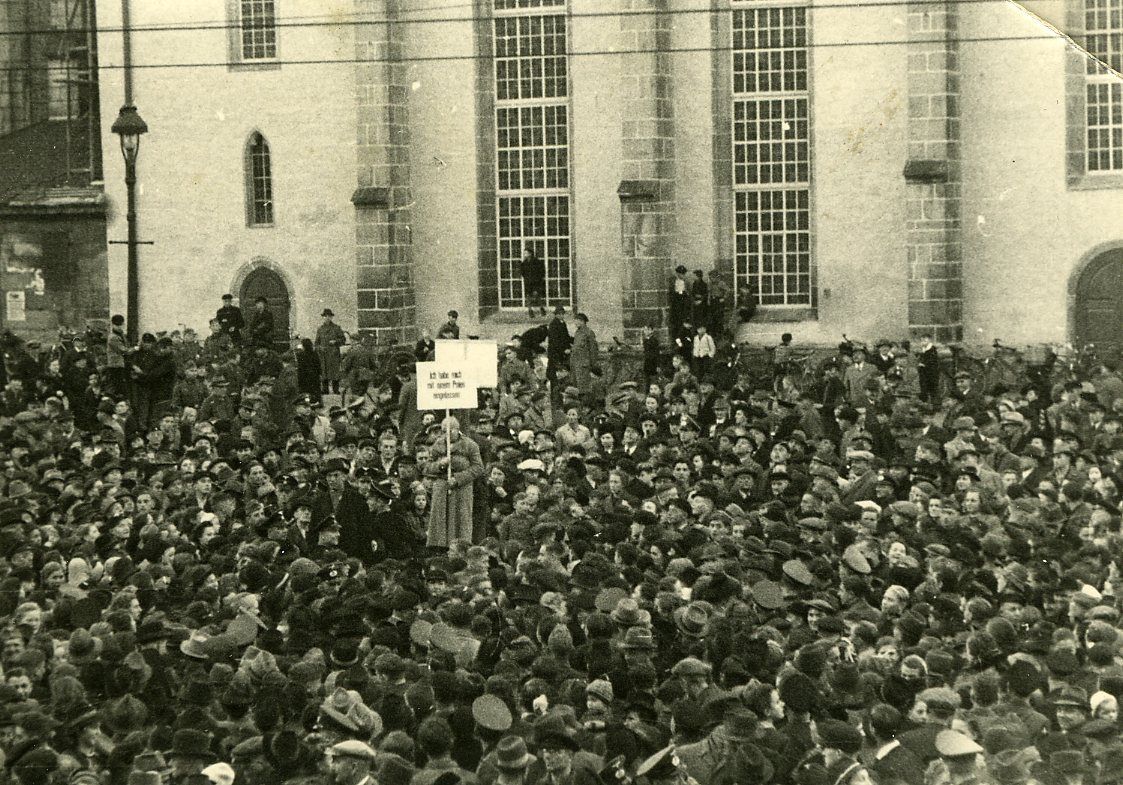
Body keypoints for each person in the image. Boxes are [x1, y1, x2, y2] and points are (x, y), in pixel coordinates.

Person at [426, 415, 485, 548]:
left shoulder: (470, 445)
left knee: (460, 520)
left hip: (462, 489)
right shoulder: (438, 444)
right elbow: (427, 467)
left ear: (457, 429)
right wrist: (440, 465)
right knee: (440, 520)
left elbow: (478, 467)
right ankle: (439, 547)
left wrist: (459, 479)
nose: (446, 434)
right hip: (442, 487)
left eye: (449, 430)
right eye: (443, 431)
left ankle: (460, 547)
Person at [315, 309, 347, 395]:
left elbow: (343, 340)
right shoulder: (320, 329)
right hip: (323, 354)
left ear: (331, 317)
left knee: (335, 372)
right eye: (325, 316)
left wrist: (336, 341)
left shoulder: (336, 328)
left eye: (329, 316)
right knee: (324, 372)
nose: (327, 318)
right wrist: (320, 348)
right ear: (323, 317)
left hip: (333, 354)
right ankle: (325, 390)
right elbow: (316, 343)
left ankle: (335, 389)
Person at [569, 313, 598, 389]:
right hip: (575, 365)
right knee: (576, 388)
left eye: (577, 321)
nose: (575, 323)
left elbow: (593, 349)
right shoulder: (577, 333)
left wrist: (592, 364)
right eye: (575, 320)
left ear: (582, 321)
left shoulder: (588, 333)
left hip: (584, 366)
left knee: (584, 388)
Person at [520, 247, 548, 318]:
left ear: (530, 253)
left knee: (537, 296)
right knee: (528, 296)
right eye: (524, 253)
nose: (524, 254)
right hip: (528, 282)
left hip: (536, 282)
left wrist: (538, 280)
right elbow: (522, 272)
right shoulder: (524, 263)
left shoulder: (537, 262)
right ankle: (530, 311)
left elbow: (541, 272)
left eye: (526, 253)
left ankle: (541, 309)